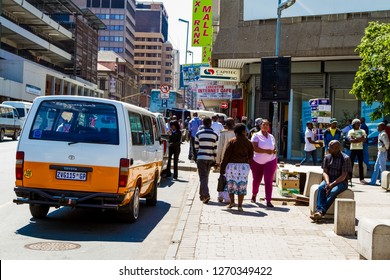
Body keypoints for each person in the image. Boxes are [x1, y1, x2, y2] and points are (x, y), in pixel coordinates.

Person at [310, 140, 352, 221]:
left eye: (331, 147)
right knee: (321, 188)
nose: (328, 149)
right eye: (329, 147)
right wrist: (328, 182)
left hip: (341, 181)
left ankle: (320, 211)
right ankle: (318, 211)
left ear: (337, 148)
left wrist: (332, 185)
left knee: (333, 191)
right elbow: (325, 172)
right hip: (329, 179)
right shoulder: (327, 157)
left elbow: (343, 176)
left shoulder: (345, 158)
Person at [220, 123, 254, 212]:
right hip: (244, 167)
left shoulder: (232, 141)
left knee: (231, 184)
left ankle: (232, 203)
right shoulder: (248, 142)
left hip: (232, 167)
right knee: (242, 186)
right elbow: (251, 156)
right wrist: (249, 165)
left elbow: (226, 156)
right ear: (243, 131)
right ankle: (240, 205)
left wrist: (222, 168)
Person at [250, 119, 277, 207]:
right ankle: (254, 195)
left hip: (270, 161)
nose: (265, 126)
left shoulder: (271, 136)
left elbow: (274, 147)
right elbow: (254, 148)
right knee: (256, 180)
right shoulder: (256, 135)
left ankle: (268, 200)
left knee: (268, 181)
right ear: (260, 125)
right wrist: (266, 151)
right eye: (263, 124)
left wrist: (274, 151)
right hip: (257, 161)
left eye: (267, 125)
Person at [195, 117, 218, 204]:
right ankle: (202, 196)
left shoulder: (198, 133)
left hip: (201, 158)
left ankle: (206, 195)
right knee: (205, 177)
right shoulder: (214, 135)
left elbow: (196, 147)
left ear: (203, 123)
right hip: (210, 159)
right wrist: (215, 160)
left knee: (203, 177)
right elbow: (215, 149)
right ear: (210, 123)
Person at [215, 117, 236, 203]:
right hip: (234, 160)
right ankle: (228, 197)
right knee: (231, 179)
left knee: (222, 177)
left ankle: (221, 196)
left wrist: (217, 161)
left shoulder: (223, 134)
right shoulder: (237, 134)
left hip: (224, 159)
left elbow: (219, 148)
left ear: (226, 125)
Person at [347, 118, 368, 184]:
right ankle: (349, 178)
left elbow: (364, 140)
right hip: (353, 149)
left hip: (360, 149)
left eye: (359, 123)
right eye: (357, 123)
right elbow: (350, 140)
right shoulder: (351, 131)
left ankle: (362, 179)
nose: (359, 125)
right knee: (351, 164)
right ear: (353, 124)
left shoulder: (362, 131)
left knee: (361, 164)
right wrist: (360, 139)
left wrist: (355, 139)